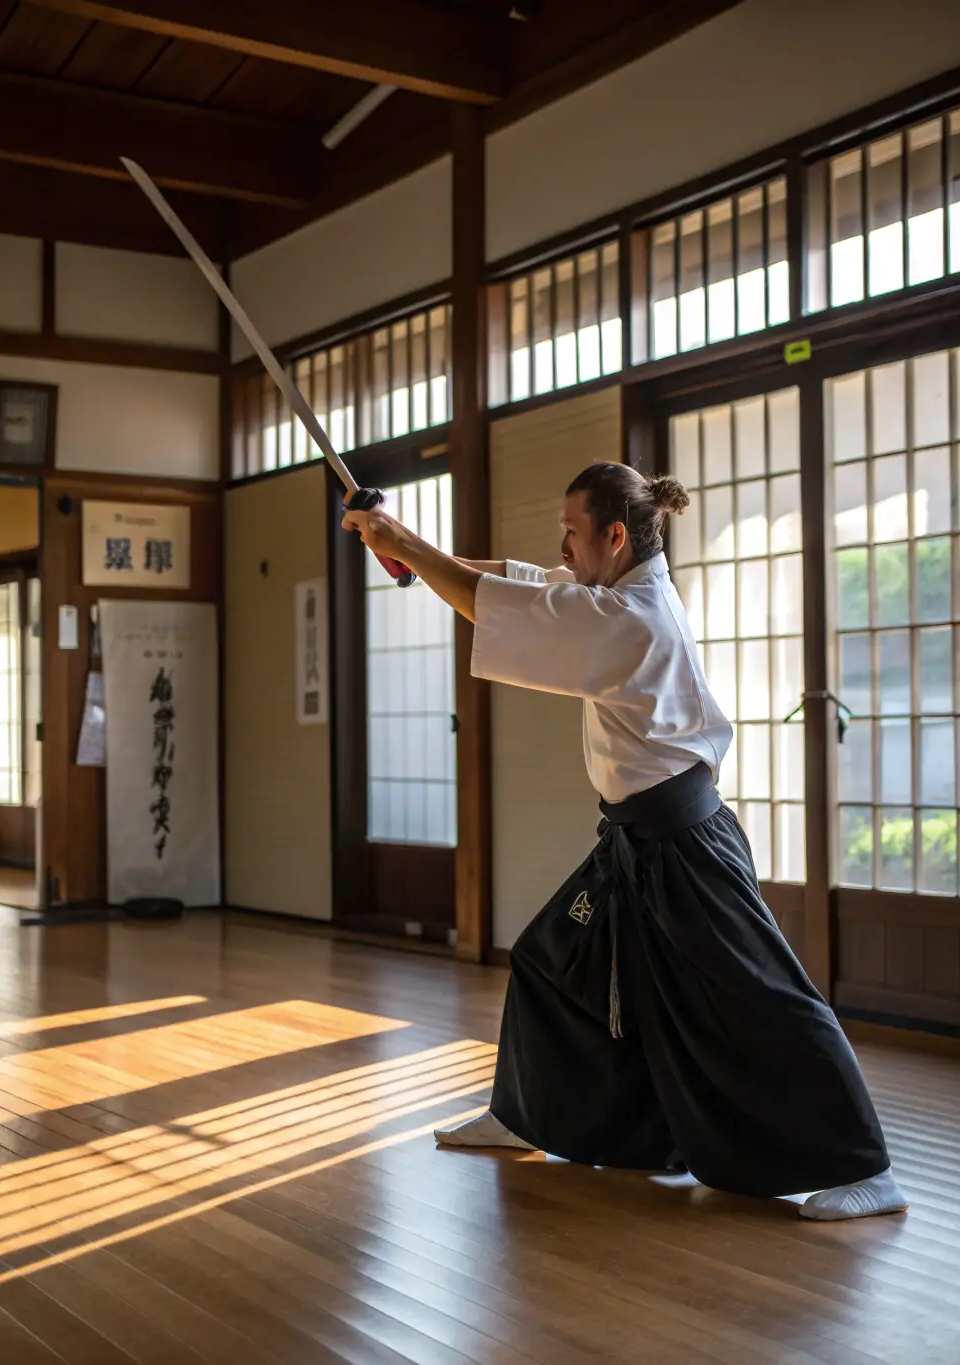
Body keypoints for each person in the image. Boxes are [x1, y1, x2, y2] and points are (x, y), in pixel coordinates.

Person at [342, 462, 908, 1222]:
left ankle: (867, 1165)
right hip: (636, 840)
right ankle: (523, 1115)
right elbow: (517, 584)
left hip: (687, 848)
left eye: (573, 534)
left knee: (763, 996)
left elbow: (501, 604)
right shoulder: (614, 593)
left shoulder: (630, 619)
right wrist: (405, 546)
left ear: (615, 535)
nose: (563, 548)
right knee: (549, 958)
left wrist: (400, 539)